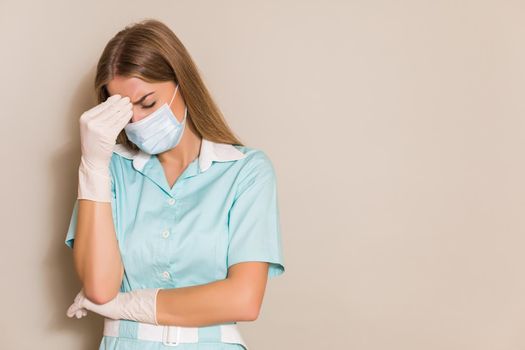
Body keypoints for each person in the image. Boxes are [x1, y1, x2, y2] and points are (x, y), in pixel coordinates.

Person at [63, 18, 285, 350]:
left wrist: (126, 305)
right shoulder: (111, 171)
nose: (137, 120)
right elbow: (99, 288)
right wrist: (93, 165)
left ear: (183, 84)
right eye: (123, 112)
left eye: (147, 103)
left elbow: (243, 299)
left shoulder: (246, 171)